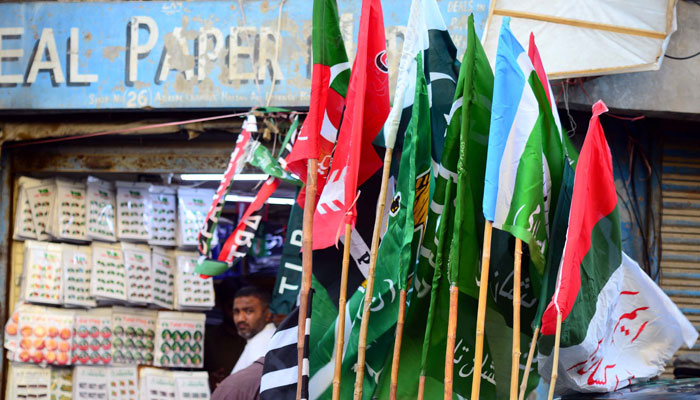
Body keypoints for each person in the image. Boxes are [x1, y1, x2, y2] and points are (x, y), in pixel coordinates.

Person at [230, 286, 276, 374]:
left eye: (249, 311)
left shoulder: (263, 343)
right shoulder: (258, 340)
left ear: (268, 314)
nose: (240, 319)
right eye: (236, 312)